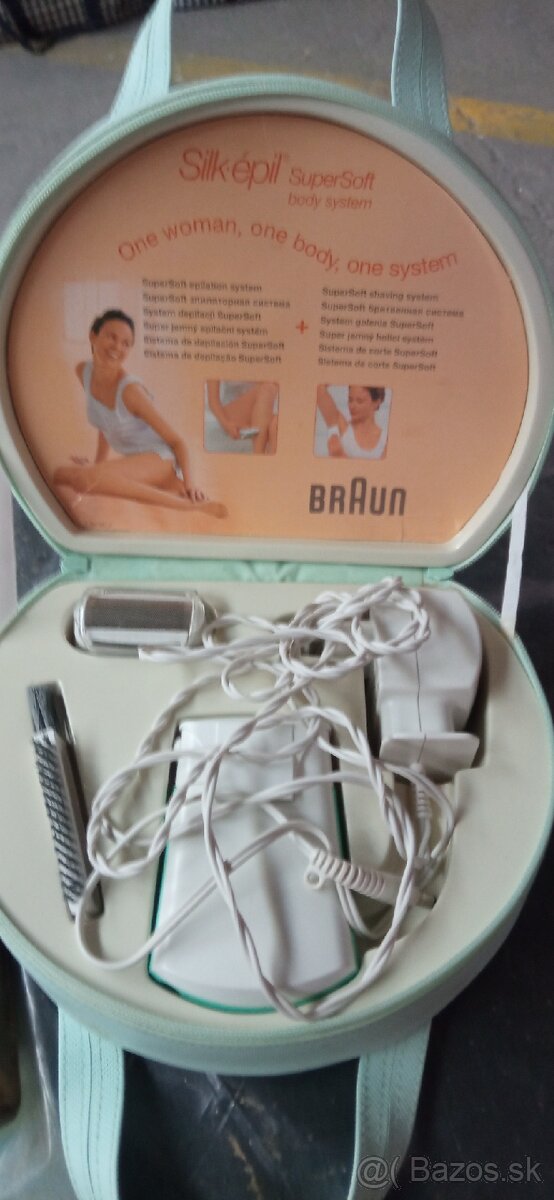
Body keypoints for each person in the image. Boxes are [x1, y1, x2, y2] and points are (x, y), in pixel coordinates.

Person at [54, 310, 226, 517]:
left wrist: (191, 485)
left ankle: (189, 505)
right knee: (60, 474)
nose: (118, 347)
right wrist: (98, 465)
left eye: (126, 343)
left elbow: (177, 442)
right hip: (137, 461)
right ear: (93, 336)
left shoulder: (130, 391)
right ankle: (171, 487)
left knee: (85, 480)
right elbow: (104, 423)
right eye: (111, 337)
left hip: (160, 459)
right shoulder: (83, 371)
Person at [206, 380, 278, 455]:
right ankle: (258, 455)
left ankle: (266, 458)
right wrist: (226, 424)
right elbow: (213, 402)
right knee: (267, 389)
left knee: (274, 425)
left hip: (260, 409)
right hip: (230, 413)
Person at [316, 384, 388, 459]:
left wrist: (340, 455)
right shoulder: (341, 427)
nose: (352, 406)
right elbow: (319, 388)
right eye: (350, 400)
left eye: (359, 401)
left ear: (376, 403)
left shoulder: (385, 439)